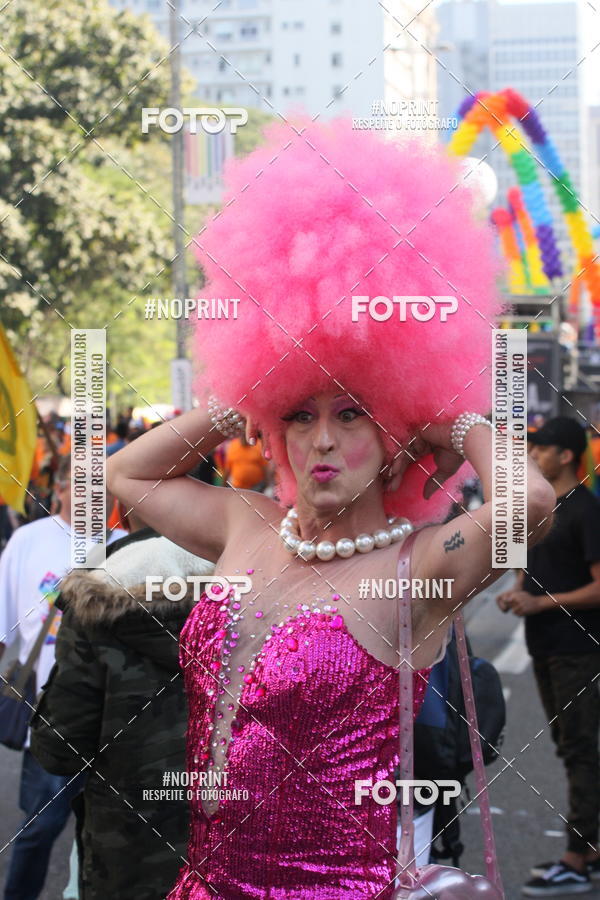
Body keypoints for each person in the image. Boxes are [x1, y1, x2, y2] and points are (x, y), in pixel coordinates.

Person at [107, 119, 554, 899]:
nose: (320, 441)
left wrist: (451, 420)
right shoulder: (248, 526)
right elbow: (124, 477)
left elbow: (533, 501)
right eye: (299, 414)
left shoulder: (415, 571)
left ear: (390, 437)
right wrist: (235, 402)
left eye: (351, 415)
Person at [29, 513, 215, 899]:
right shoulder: (264, 579)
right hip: (240, 854)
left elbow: (59, 749)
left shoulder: (97, 585)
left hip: (127, 857)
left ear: (124, 510)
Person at [0, 457, 126, 900]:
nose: (90, 492)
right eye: (79, 483)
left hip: (117, 727)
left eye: (101, 484)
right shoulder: (27, 541)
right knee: (37, 832)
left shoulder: (132, 548)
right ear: (59, 490)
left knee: (107, 841)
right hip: (49, 721)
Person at [498, 416, 600, 896]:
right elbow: (524, 567)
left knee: (581, 751)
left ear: (565, 456)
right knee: (568, 746)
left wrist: (539, 603)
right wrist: (517, 593)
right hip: (544, 646)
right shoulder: (538, 510)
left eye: (542, 448)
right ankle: (592, 850)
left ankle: (576, 859)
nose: (533, 455)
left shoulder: (585, 511)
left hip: (578, 649)